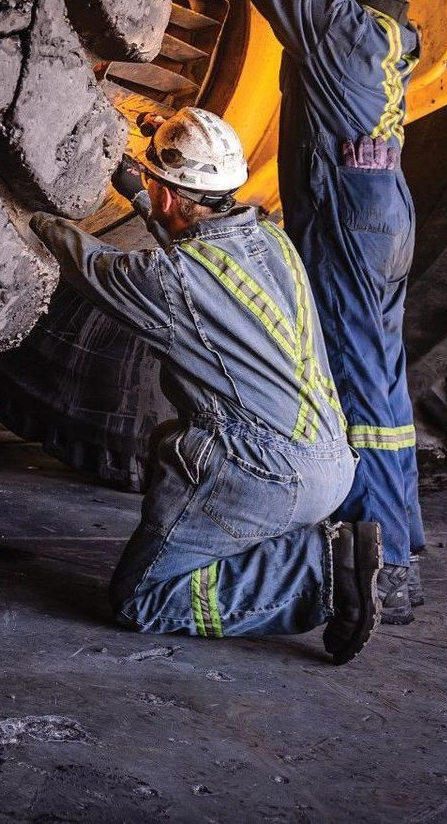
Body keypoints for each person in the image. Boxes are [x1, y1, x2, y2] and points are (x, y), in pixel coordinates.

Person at [29, 107, 383, 665]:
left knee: (140, 601)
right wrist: (142, 198)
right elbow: (193, 264)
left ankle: (322, 575)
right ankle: (311, 547)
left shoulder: (165, 280)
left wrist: (32, 209)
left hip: (262, 474)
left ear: (170, 196)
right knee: (177, 439)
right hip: (332, 461)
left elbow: (86, 262)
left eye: (154, 185)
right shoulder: (274, 243)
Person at [217, 0, 437, 624]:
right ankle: (402, 540)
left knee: (358, 385)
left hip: (347, 217)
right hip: (382, 211)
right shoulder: (383, 29)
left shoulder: (341, 27)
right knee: (383, 381)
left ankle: (385, 564)